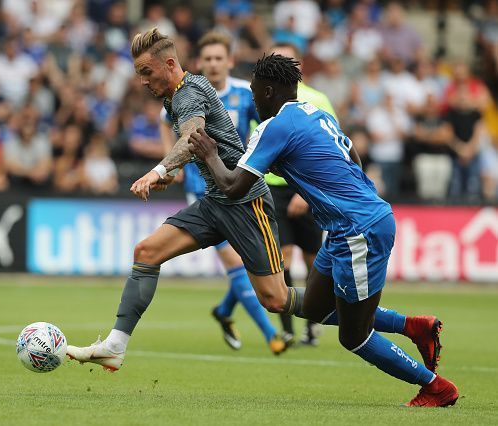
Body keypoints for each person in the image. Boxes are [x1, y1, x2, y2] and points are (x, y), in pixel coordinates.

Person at [187, 53, 459, 407]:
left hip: (358, 230)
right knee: (314, 307)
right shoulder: (316, 113)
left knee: (354, 335)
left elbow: (234, 185)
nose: (253, 99)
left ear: (268, 91)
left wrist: (208, 153)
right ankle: (414, 326)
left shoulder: (273, 127)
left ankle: (436, 387)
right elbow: (354, 158)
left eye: (255, 93)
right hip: (345, 226)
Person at [67, 27, 288, 371]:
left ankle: (372, 317)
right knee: (146, 252)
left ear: (169, 63)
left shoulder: (187, 95)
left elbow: (192, 137)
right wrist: (170, 173)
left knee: (276, 298)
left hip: (247, 203)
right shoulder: (177, 94)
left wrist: (156, 171)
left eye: (146, 71)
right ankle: (115, 346)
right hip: (216, 201)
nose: (141, 81)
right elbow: (194, 147)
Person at [159, 30, 283, 354]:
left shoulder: (244, 94)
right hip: (201, 191)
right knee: (236, 261)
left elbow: (269, 124)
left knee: (246, 261)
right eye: (208, 59)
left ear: (229, 61)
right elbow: (164, 120)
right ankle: (272, 335)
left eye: (219, 58)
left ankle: (226, 310)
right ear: (200, 62)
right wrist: (168, 164)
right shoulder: (183, 96)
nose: (213, 64)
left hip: (237, 187)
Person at [266, 42, 337, 347]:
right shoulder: (266, 97)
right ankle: (287, 329)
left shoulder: (317, 99)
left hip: (307, 188)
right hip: (273, 187)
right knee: (281, 258)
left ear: (299, 66)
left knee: (312, 262)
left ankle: (311, 325)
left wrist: (307, 193)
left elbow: (330, 148)